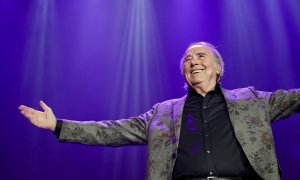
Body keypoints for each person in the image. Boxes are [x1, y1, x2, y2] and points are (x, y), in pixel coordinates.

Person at [19, 42, 300, 180]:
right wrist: (58, 125)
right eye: (187, 59)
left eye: (201, 56)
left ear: (217, 67)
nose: (193, 61)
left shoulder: (251, 100)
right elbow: (111, 132)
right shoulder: (163, 113)